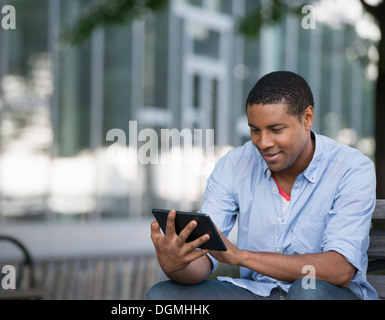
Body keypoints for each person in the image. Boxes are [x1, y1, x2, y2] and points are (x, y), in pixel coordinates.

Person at [147, 70, 378, 300]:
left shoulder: (351, 168)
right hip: (259, 293)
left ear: (307, 118)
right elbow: (205, 258)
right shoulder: (235, 165)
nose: (263, 143)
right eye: (254, 130)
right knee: (163, 294)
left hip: (326, 294)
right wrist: (175, 264)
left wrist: (240, 256)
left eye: (276, 130)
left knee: (307, 289)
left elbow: (339, 271)